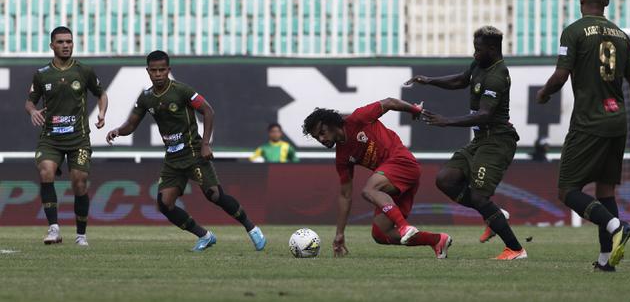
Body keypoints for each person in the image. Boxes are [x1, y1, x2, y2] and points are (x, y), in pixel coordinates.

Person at [536, 0, 630, 271]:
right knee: (606, 190)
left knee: (567, 190)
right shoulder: (622, 36)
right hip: (618, 122)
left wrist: (545, 93)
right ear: (606, 3)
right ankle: (604, 261)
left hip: (589, 122)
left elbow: (560, 76)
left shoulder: (573, 32)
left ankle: (616, 225)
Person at [106, 50, 266, 252]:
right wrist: (118, 131)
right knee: (165, 204)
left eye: (162, 70)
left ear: (168, 70)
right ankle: (205, 236)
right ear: (148, 71)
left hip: (194, 154)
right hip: (173, 159)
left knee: (214, 195)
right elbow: (131, 124)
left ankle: (252, 228)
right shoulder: (146, 98)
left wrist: (205, 143)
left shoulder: (181, 90)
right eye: (154, 70)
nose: (158, 74)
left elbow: (208, 110)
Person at [405, 26, 526, 260]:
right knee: (446, 180)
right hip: (481, 139)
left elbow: (485, 114)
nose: (474, 53)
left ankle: (516, 249)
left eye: (478, 49)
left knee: (480, 197)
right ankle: (494, 214)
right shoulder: (480, 65)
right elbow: (461, 80)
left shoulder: (497, 76)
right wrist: (429, 80)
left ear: (492, 49)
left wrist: (446, 121)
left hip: (497, 141)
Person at [302, 99, 452, 259]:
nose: (321, 139)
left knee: (369, 190)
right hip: (391, 183)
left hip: (403, 162)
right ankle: (437, 240)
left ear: (331, 124)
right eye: (316, 137)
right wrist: (339, 233)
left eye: (322, 132)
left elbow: (388, 103)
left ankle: (404, 227)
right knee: (381, 233)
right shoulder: (342, 157)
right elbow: (345, 195)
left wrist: (413, 110)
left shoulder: (358, 119)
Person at [25, 26, 108, 246]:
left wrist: (101, 113)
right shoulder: (42, 74)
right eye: (61, 42)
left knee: (79, 182)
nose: (65, 46)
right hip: (50, 138)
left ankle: (81, 235)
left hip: (78, 138)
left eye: (69, 42)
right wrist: (33, 111)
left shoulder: (84, 71)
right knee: (46, 172)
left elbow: (101, 94)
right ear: (52, 45)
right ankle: (54, 229)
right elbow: (30, 101)